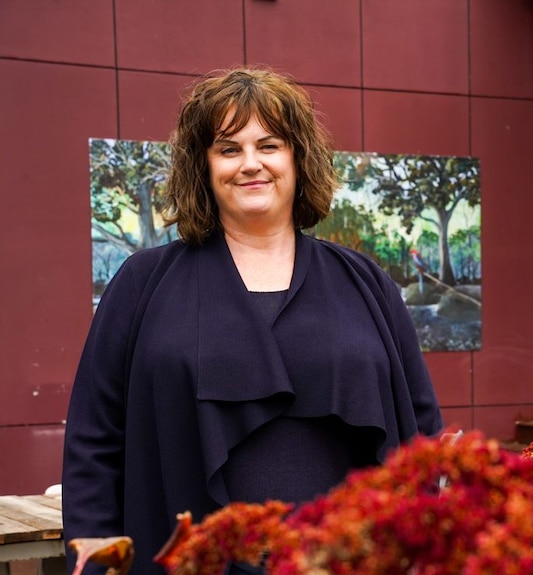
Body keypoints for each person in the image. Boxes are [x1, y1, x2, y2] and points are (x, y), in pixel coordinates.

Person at [62, 67, 444, 575]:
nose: (250, 164)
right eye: (228, 149)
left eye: (269, 145)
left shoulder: (364, 281)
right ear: (204, 166)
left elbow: (422, 429)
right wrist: (93, 554)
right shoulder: (143, 282)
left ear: (297, 158)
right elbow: (95, 438)